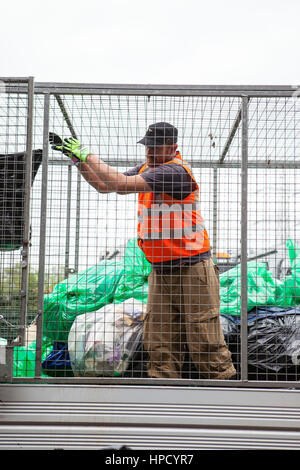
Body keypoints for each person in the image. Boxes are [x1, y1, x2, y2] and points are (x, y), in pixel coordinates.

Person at [50, 123, 236, 380]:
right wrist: (77, 160)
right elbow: (106, 186)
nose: (149, 151)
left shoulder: (174, 171)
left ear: (173, 147)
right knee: (159, 339)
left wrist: (87, 153)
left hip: (193, 269)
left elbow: (121, 183)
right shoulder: (149, 168)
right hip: (161, 270)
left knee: (203, 337)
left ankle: (222, 394)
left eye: (156, 146)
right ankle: (161, 398)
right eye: (147, 145)